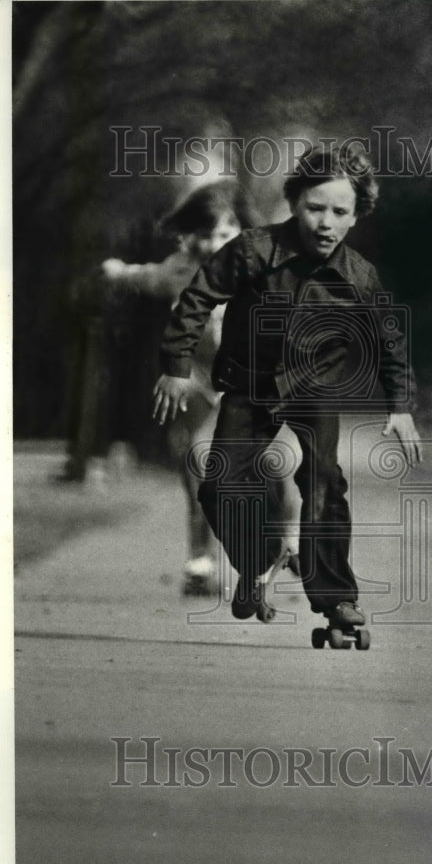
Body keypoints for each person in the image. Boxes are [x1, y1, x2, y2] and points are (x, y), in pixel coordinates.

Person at [152, 142, 421, 624]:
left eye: (340, 211)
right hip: (248, 384)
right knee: (219, 487)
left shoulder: (359, 276)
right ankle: (259, 560)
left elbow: (390, 339)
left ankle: (336, 596)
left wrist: (399, 406)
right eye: (315, 208)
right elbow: (197, 297)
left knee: (322, 484)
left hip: (313, 387)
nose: (325, 222)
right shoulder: (253, 250)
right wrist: (175, 365)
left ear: (356, 216)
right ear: (294, 202)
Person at [103, 180, 301, 595]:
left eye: (225, 234)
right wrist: (119, 273)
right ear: (191, 235)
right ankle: (200, 562)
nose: (215, 244)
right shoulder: (180, 267)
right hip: (197, 378)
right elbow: (151, 278)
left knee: (279, 462)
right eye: (206, 234)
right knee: (196, 461)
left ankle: (291, 539)